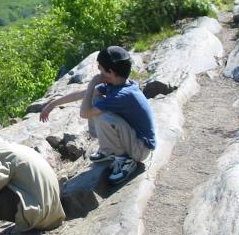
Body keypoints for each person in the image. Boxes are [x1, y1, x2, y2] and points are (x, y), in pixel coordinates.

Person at [39, 46, 156, 185]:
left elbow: (84, 113)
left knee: (102, 115)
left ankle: (125, 160)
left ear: (110, 72)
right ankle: (109, 149)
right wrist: (52, 104)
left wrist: (92, 84)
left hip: (141, 149)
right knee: (96, 100)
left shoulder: (122, 95)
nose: (98, 72)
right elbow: (81, 95)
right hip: (134, 139)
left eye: (100, 69)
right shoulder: (118, 85)